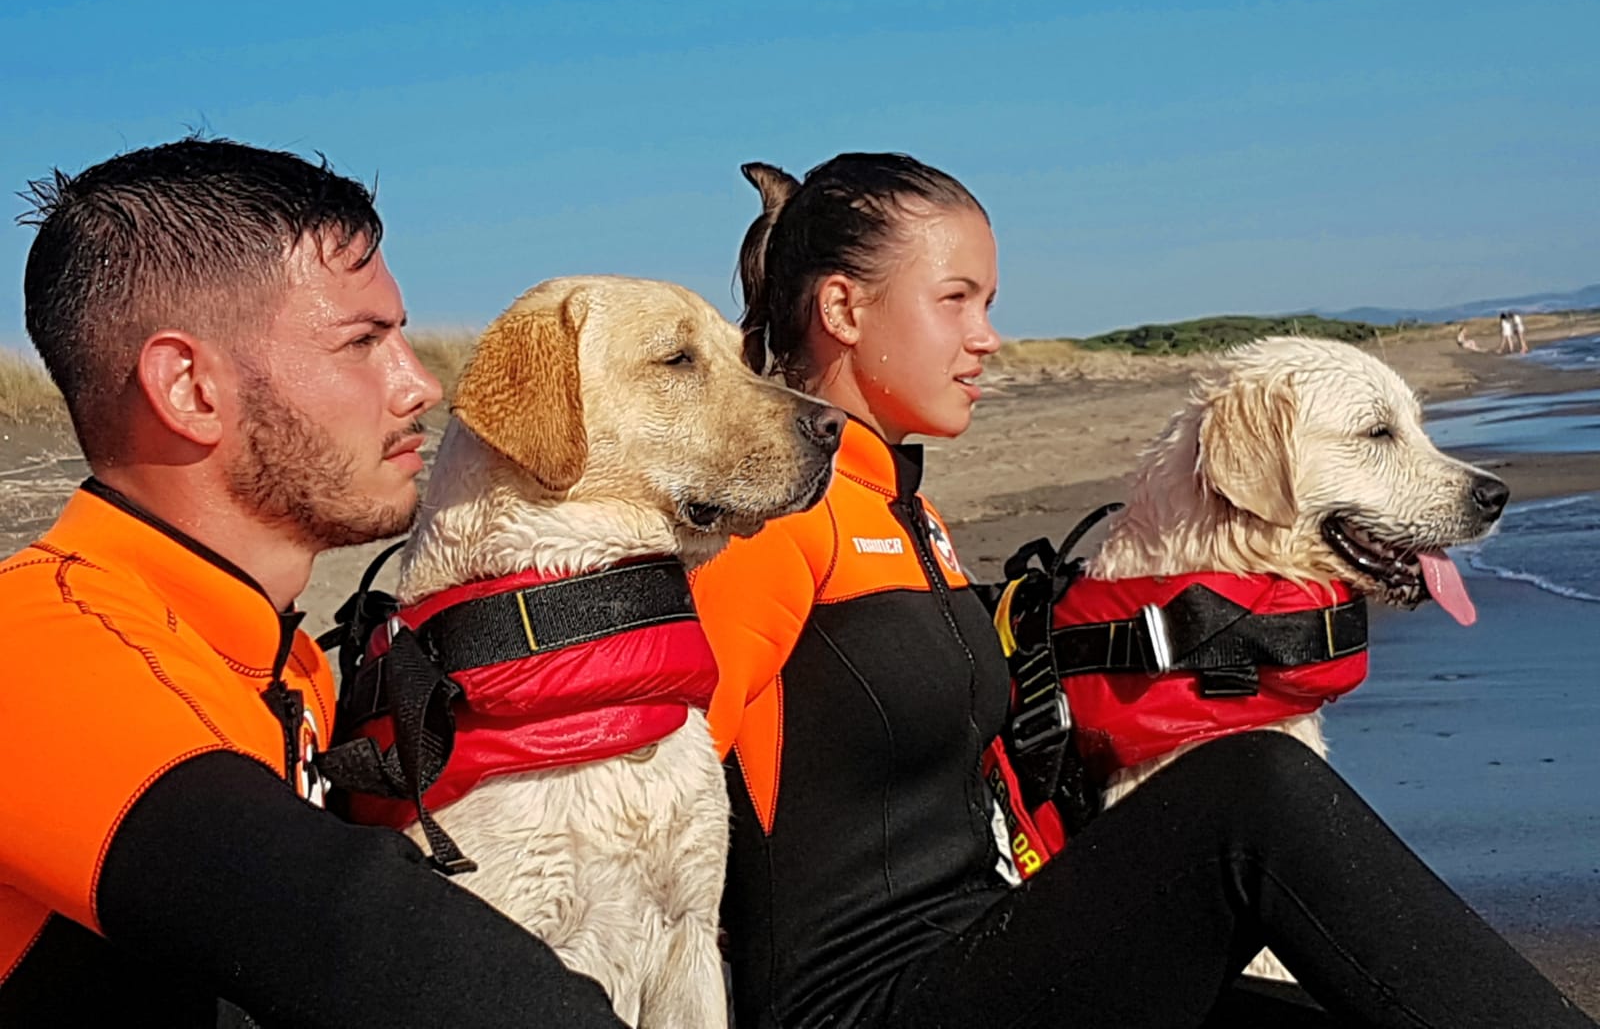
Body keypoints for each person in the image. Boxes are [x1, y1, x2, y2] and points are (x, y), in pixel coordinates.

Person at [689, 152, 1595, 1029]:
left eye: (990, 302)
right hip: (872, 999)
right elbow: (670, 787)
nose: (987, 337)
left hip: (997, 945)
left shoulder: (908, 517)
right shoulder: (771, 527)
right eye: (955, 299)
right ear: (844, 308)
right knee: (1251, 784)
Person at [0, 139, 626, 1027]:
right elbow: (357, 941)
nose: (422, 384)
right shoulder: (32, 649)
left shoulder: (282, 655)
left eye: (403, 334)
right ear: (189, 388)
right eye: (364, 341)